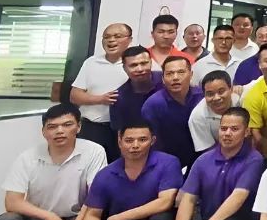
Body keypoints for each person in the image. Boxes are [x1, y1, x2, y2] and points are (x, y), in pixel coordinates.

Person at [70, 22, 132, 161]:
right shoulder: (91, 62)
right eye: (107, 37)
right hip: (92, 128)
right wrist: (101, 99)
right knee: (88, 165)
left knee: (120, 167)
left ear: (129, 40)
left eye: (117, 36)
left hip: (123, 130)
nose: (111, 40)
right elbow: (74, 96)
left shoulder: (134, 64)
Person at [142, 56, 204, 169]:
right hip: (167, 163)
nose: (175, 78)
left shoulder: (202, 97)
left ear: (191, 74)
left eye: (181, 72)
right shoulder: (153, 105)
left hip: (201, 160)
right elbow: (152, 143)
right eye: (169, 74)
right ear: (163, 79)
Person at [109, 45, 163, 136]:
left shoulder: (166, 81)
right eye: (133, 65)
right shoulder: (118, 98)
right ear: (124, 68)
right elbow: (121, 133)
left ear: (151, 62)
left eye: (144, 63)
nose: (140, 69)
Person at [188, 70, 241, 153]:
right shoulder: (197, 116)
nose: (216, 98)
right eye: (210, 94)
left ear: (231, 89)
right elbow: (208, 151)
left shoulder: (241, 100)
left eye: (221, 92)